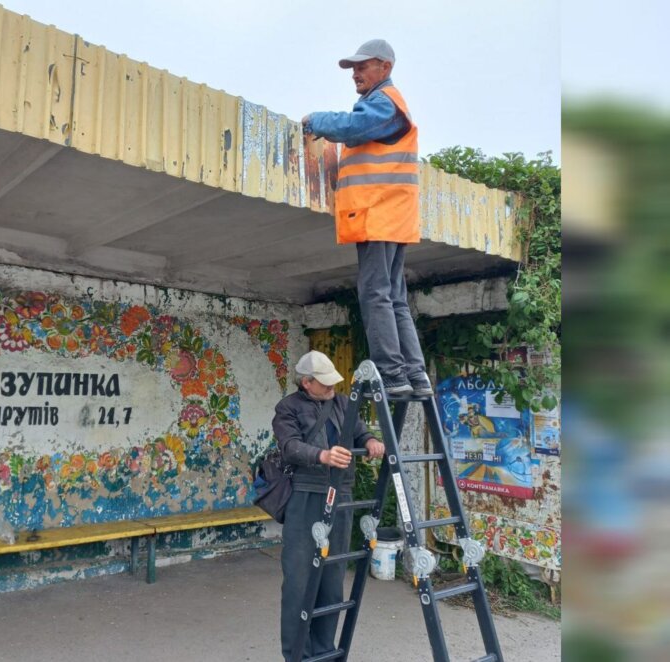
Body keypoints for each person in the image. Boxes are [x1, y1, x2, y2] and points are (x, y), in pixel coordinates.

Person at [302, 39, 432, 397]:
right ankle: (415, 376)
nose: (355, 74)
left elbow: (352, 127)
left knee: (375, 294)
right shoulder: (387, 104)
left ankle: (392, 374)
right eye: (353, 68)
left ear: (385, 68)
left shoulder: (384, 103)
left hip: (379, 213)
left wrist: (316, 121)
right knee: (393, 297)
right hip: (391, 216)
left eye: (363, 66)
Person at [272, 350, 385, 661]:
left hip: (341, 495)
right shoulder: (288, 408)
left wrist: (372, 440)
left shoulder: (342, 402)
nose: (332, 386)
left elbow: (361, 430)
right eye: (325, 382)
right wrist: (322, 456)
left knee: (332, 580)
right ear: (307, 382)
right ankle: (296, 654)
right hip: (306, 496)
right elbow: (289, 446)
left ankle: (324, 652)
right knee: (299, 579)